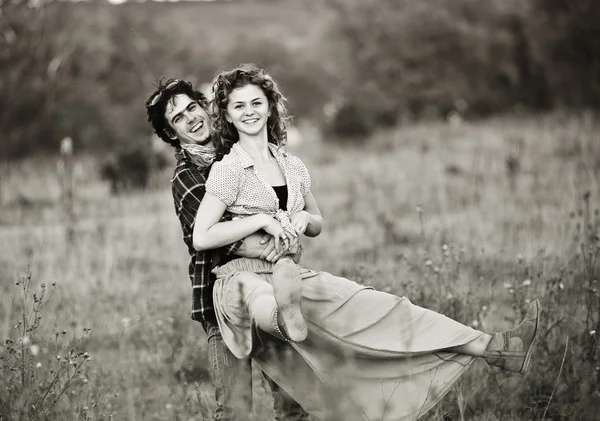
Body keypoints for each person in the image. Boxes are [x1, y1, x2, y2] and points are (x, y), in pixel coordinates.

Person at [189, 63, 541, 421]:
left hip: (291, 272)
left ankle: (497, 347)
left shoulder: (292, 166)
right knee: (258, 296)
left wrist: (304, 218)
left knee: (384, 309)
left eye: (256, 102)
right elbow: (202, 236)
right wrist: (261, 219)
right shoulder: (228, 169)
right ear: (228, 116)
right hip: (240, 279)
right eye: (239, 106)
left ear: (270, 106)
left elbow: (317, 222)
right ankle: (284, 318)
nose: (249, 112)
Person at [145, 78, 310, 421]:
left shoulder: (240, 152)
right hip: (220, 298)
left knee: (293, 401)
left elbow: (282, 203)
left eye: (192, 107)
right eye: (178, 118)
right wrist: (263, 227)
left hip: (269, 285)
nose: (191, 118)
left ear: (206, 107)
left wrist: (286, 224)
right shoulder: (186, 177)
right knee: (235, 408)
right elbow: (222, 240)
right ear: (173, 133)